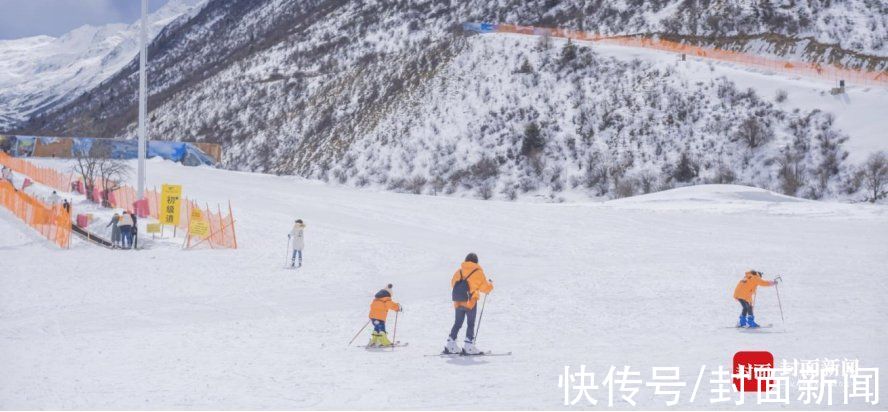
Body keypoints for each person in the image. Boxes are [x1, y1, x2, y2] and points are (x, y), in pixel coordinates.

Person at [445, 253, 493, 355]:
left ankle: (450, 344)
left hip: (458, 301)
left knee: (458, 323)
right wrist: (490, 285)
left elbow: (453, 283)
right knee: (470, 324)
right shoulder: (478, 272)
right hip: (470, 301)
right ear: (476, 261)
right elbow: (485, 287)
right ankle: (469, 346)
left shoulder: (460, 271)